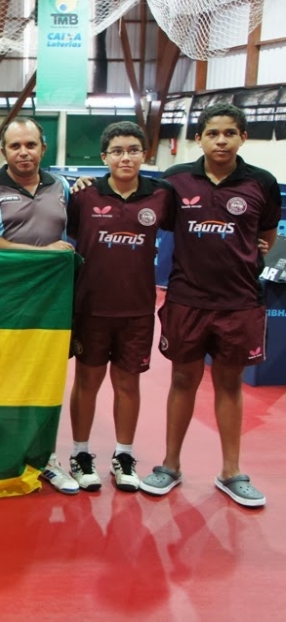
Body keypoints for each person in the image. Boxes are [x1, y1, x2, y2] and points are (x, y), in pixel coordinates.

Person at [140, 104, 280, 508]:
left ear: (243, 138)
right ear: (199, 138)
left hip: (239, 301)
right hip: (187, 299)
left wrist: (252, 249)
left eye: (230, 133)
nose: (221, 141)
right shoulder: (175, 179)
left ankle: (231, 472)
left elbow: (267, 233)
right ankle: (170, 465)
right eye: (213, 133)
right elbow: (155, 218)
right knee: (183, 380)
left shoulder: (262, 182)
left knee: (229, 383)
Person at [0, 116, 77, 495]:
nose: (23, 152)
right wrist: (43, 253)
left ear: (43, 148)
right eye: (15, 146)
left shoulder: (62, 187)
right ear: (4, 151)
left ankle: (44, 457)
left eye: (30, 145)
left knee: (42, 379)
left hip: (48, 302)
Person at [66, 122, 173, 493]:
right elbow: (73, 234)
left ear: (144, 154)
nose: (125, 157)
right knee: (87, 382)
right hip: (91, 307)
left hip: (137, 310)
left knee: (128, 383)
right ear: (104, 157)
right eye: (117, 151)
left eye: (132, 150)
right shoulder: (83, 195)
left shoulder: (161, 195)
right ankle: (80, 453)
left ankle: (124, 455)